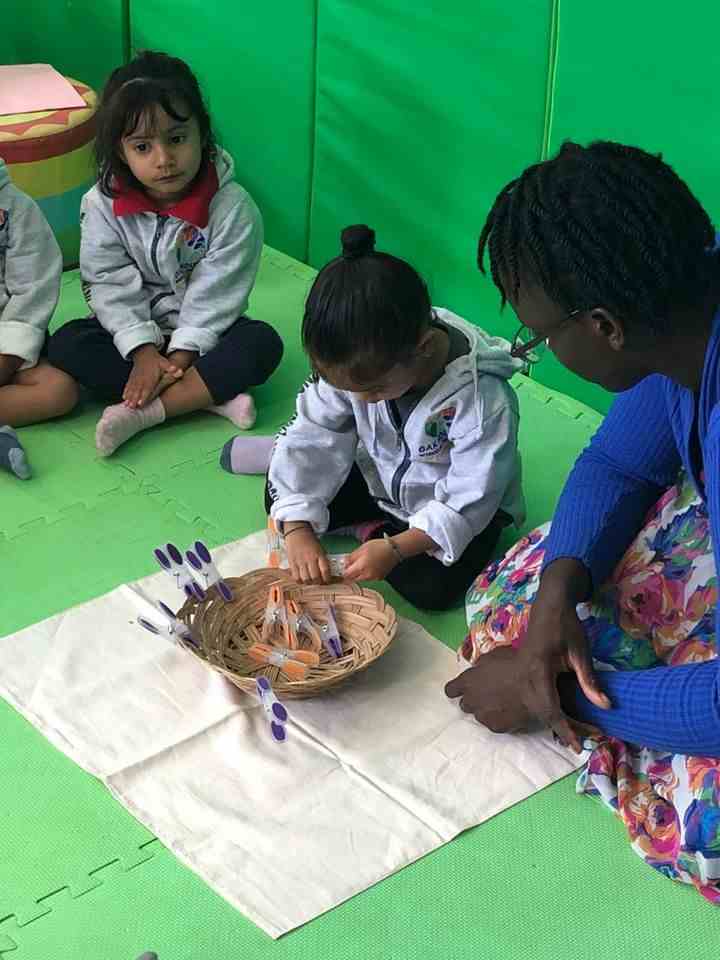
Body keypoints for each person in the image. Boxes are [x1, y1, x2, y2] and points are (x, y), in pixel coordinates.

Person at [446, 139, 720, 902]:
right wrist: (554, 597)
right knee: (519, 590)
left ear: (604, 326)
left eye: (537, 337)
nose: (537, 348)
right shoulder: (685, 305)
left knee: (707, 826)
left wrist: (560, 699)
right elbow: (620, 464)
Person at [228, 224, 525, 610]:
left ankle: (375, 531)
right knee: (282, 497)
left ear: (424, 347)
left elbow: (470, 498)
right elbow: (318, 427)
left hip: (455, 504)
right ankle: (344, 503)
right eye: (349, 389)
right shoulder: (360, 357)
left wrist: (396, 548)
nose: (361, 400)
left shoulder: (484, 400)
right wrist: (298, 531)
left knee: (432, 589)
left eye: (374, 390)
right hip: (382, 477)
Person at [48, 51, 282, 457]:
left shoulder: (233, 208)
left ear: (202, 133)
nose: (164, 160)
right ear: (121, 151)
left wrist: (179, 356)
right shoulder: (101, 204)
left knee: (262, 344)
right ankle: (206, 397)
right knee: (66, 344)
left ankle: (145, 412)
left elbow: (218, 292)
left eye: (176, 139)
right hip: (132, 336)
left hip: (206, 335)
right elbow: (106, 280)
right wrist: (142, 351)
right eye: (143, 146)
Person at [0, 158, 78, 479]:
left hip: (8, 339)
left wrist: (7, 360)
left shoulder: (16, 208)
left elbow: (34, 286)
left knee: (59, 390)